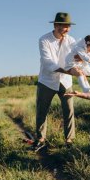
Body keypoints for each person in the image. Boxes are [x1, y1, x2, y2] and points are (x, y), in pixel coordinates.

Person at [33, 12, 82, 152]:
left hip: (66, 82)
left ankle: (69, 140)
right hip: (47, 81)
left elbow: (75, 58)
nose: (64, 28)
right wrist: (68, 71)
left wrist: (82, 60)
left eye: (67, 26)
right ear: (55, 25)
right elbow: (48, 62)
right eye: (61, 25)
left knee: (69, 111)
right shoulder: (44, 40)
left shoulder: (72, 41)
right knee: (42, 111)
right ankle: (40, 139)